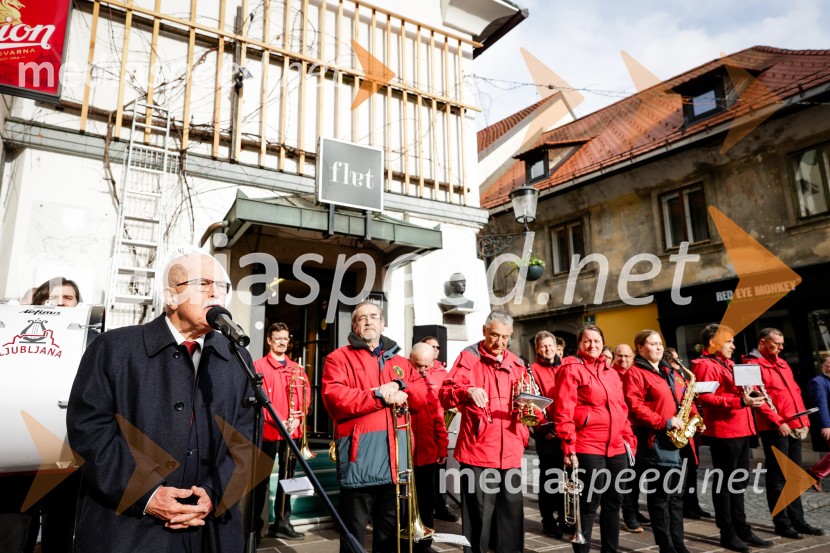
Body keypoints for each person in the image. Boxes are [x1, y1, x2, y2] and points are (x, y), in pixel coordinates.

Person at [67, 249, 255, 553]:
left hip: (211, 534)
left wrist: (214, 492)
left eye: (222, 286)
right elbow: (88, 433)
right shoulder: (113, 349)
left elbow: (247, 438)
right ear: (171, 297)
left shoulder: (237, 357)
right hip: (129, 533)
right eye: (203, 283)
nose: (214, 292)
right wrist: (148, 495)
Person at [321, 301, 428, 553]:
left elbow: (422, 397)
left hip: (397, 464)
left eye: (374, 317)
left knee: (389, 537)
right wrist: (379, 395)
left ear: (382, 323)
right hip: (360, 462)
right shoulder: (338, 358)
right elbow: (336, 399)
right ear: (354, 325)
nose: (368, 321)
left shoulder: (401, 361)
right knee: (353, 537)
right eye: (362, 318)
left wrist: (401, 386)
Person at [439, 311, 536, 553]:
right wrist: (467, 391)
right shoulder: (468, 358)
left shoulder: (517, 363)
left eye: (505, 337)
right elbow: (445, 394)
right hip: (478, 451)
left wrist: (531, 411)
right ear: (484, 331)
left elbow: (529, 405)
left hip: (511, 450)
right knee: (479, 516)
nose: (499, 342)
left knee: (511, 517)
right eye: (494, 335)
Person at [0, 277, 84, 553]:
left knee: (59, 539)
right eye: (52, 298)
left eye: (68, 298)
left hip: (64, 460)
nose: (60, 302)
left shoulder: (85, 340)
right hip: (16, 462)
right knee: (12, 538)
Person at [553, 325, 636, 553]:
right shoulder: (571, 369)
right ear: (579, 344)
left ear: (602, 343)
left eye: (597, 341)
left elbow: (621, 408)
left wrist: (628, 438)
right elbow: (563, 410)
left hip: (617, 447)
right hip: (589, 445)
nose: (592, 345)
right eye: (587, 341)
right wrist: (569, 446)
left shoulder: (610, 372)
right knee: (589, 504)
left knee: (614, 504)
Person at [692, 323, 772, 553]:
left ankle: (742, 528)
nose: (733, 346)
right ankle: (727, 533)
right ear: (713, 343)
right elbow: (705, 397)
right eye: (729, 341)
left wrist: (752, 395)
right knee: (726, 485)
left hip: (742, 428)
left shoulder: (728, 363)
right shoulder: (705, 365)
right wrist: (738, 402)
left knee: (738, 483)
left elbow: (738, 393)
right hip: (725, 431)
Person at [744, 329, 824, 537]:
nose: (781, 347)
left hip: (794, 425)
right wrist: (778, 421)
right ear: (763, 342)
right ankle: (782, 523)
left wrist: (802, 420)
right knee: (778, 477)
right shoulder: (751, 365)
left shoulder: (780, 362)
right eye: (776, 343)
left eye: (781, 344)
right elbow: (756, 398)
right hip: (775, 428)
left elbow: (793, 393)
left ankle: (799, 521)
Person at [623, 330, 693, 553]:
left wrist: (692, 419)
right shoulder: (635, 373)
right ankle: (666, 546)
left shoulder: (667, 370)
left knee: (676, 497)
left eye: (659, 343)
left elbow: (680, 399)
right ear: (640, 348)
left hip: (675, 441)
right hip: (656, 442)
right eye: (652, 344)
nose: (659, 347)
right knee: (660, 498)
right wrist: (664, 422)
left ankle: (679, 543)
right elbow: (635, 407)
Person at [252, 322, 309, 541]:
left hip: (291, 433)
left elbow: (305, 399)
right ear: (269, 340)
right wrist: (279, 421)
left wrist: (297, 420)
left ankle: (283, 523)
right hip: (267, 432)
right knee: (261, 481)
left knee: (289, 479)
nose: (282, 342)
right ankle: (256, 528)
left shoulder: (297, 368)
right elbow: (259, 399)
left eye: (285, 338)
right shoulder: (258, 366)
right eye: (278, 338)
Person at [410, 343, 449, 553]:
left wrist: (442, 446)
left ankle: (424, 542)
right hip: (404, 454)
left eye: (427, 366)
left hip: (426, 453)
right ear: (410, 359)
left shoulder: (428, 384)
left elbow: (437, 418)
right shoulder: (399, 378)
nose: (423, 371)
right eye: (419, 366)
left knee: (426, 500)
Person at [665, 347, 709, 520]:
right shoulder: (669, 378)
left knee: (692, 469)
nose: (680, 363)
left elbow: (689, 403)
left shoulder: (682, 377)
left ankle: (694, 504)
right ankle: (684, 506)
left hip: (688, 429)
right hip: (677, 427)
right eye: (676, 360)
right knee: (682, 472)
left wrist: (697, 419)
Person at [529, 331, 564, 538]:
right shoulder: (532, 370)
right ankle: (548, 520)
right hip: (548, 434)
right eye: (543, 346)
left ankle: (564, 518)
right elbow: (531, 401)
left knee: (566, 478)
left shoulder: (566, 366)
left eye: (550, 345)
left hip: (566, 431)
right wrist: (543, 428)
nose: (548, 349)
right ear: (537, 349)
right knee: (550, 479)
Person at [419, 336, 459, 523]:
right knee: (425, 477)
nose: (435, 349)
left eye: (437, 346)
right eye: (431, 346)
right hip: (423, 429)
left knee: (440, 471)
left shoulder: (443, 371)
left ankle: (441, 505)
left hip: (440, 425)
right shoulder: (417, 368)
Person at [808, 355, 830, 491]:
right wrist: (826, 425)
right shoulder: (818, 382)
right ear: (823, 366)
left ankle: (814, 473)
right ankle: (814, 473)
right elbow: (821, 404)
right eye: (829, 365)